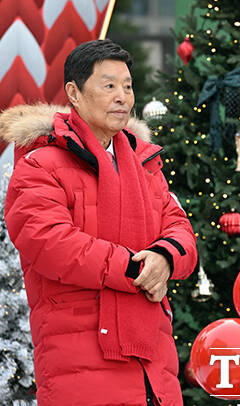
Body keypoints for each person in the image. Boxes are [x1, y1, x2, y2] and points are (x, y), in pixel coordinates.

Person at [2, 39, 197, 405]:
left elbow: (180, 229)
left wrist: (165, 259)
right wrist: (137, 269)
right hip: (79, 359)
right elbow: (50, 243)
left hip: (153, 366)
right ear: (74, 93)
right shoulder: (40, 164)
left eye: (127, 86)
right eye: (109, 86)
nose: (123, 96)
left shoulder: (144, 163)